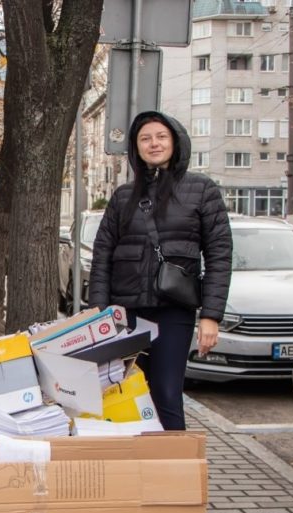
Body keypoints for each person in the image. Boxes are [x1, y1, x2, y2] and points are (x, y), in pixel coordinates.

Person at [87, 111, 232, 431]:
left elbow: (219, 255)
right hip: (125, 314)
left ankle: (174, 460)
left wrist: (211, 315)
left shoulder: (202, 189)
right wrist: (98, 312)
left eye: (161, 137)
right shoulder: (123, 196)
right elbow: (102, 255)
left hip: (173, 312)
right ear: (136, 147)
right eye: (145, 138)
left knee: (166, 394)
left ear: (176, 142)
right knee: (126, 394)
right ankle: (138, 460)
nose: (154, 144)